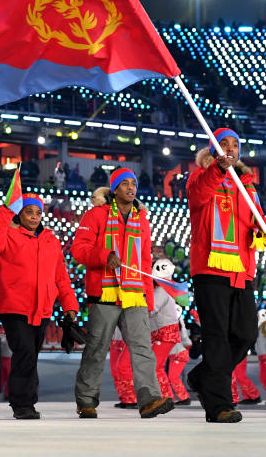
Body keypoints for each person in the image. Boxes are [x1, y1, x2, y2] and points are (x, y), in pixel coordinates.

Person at [185, 128, 266, 423]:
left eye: (234, 145)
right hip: (210, 270)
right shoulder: (200, 175)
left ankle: (203, 375)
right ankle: (219, 406)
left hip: (241, 271)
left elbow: (258, 221)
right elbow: (197, 197)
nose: (229, 148)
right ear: (213, 150)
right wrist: (217, 170)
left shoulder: (248, 185)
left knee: (246, 333)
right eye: (223, 144)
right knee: (216, 338)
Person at [72, 168, 172, 419]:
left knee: (142, 347)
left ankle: (148, 399)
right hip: (105, 292)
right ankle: (86, 401)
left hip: (135, 293)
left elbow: (146, 261)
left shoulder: (143, 220)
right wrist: (104, 256)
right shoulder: (96, 215)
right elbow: (79, 249)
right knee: (96, 347)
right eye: (124, 184)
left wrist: (149, 297)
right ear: (114, 189)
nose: (130, 188)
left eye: (133, 184)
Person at [0, 191, 79, 419]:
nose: (34, 217)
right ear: (19, 213)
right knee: (25, 352)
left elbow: (61, 277)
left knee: (30, 355)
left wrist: (70, 306)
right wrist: (7, 210)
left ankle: (26, 402)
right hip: (14, 307)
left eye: (38, 212)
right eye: (28, 212)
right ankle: (22, 404)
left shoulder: (51, 242)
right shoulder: (8, 236)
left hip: (42, 308)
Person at [148, 259, 182, 402]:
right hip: (166, 332)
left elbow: (152, 308)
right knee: (157, 366)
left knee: (156, 366)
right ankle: (164, 396)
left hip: (164, 333)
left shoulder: (161, 290)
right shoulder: (167, 289)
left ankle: (164, 397)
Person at [167, 306, 192, 405]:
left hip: (179, 353)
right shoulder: (178, 323)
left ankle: (184, 398)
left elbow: (186, 339)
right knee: (173, 377)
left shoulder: (178, 325)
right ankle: (182, 398)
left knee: (173, 377)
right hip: (176, 353)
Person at [108, 329, 136, 408]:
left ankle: (133, 399)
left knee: (124, 368)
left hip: (128, 339)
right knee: (115, 371)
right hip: (115, 339)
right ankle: (125, 398)